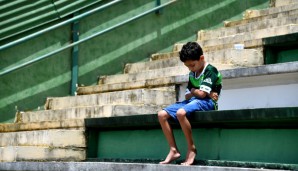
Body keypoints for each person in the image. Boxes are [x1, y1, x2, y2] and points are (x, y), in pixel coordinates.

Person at [158, 42, 222, 165]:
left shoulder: (210, 70)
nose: (191, 68)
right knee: (161, 114)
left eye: (192, 65)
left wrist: (199, 92)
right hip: (192, 101)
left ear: (201, 58)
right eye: (188, 67)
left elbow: (202, 95)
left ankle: (191, 148)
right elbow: (188, 95)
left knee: (181, 113)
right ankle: (173, 150)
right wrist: (198, 91)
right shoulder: (193, 73)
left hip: (208, 103)